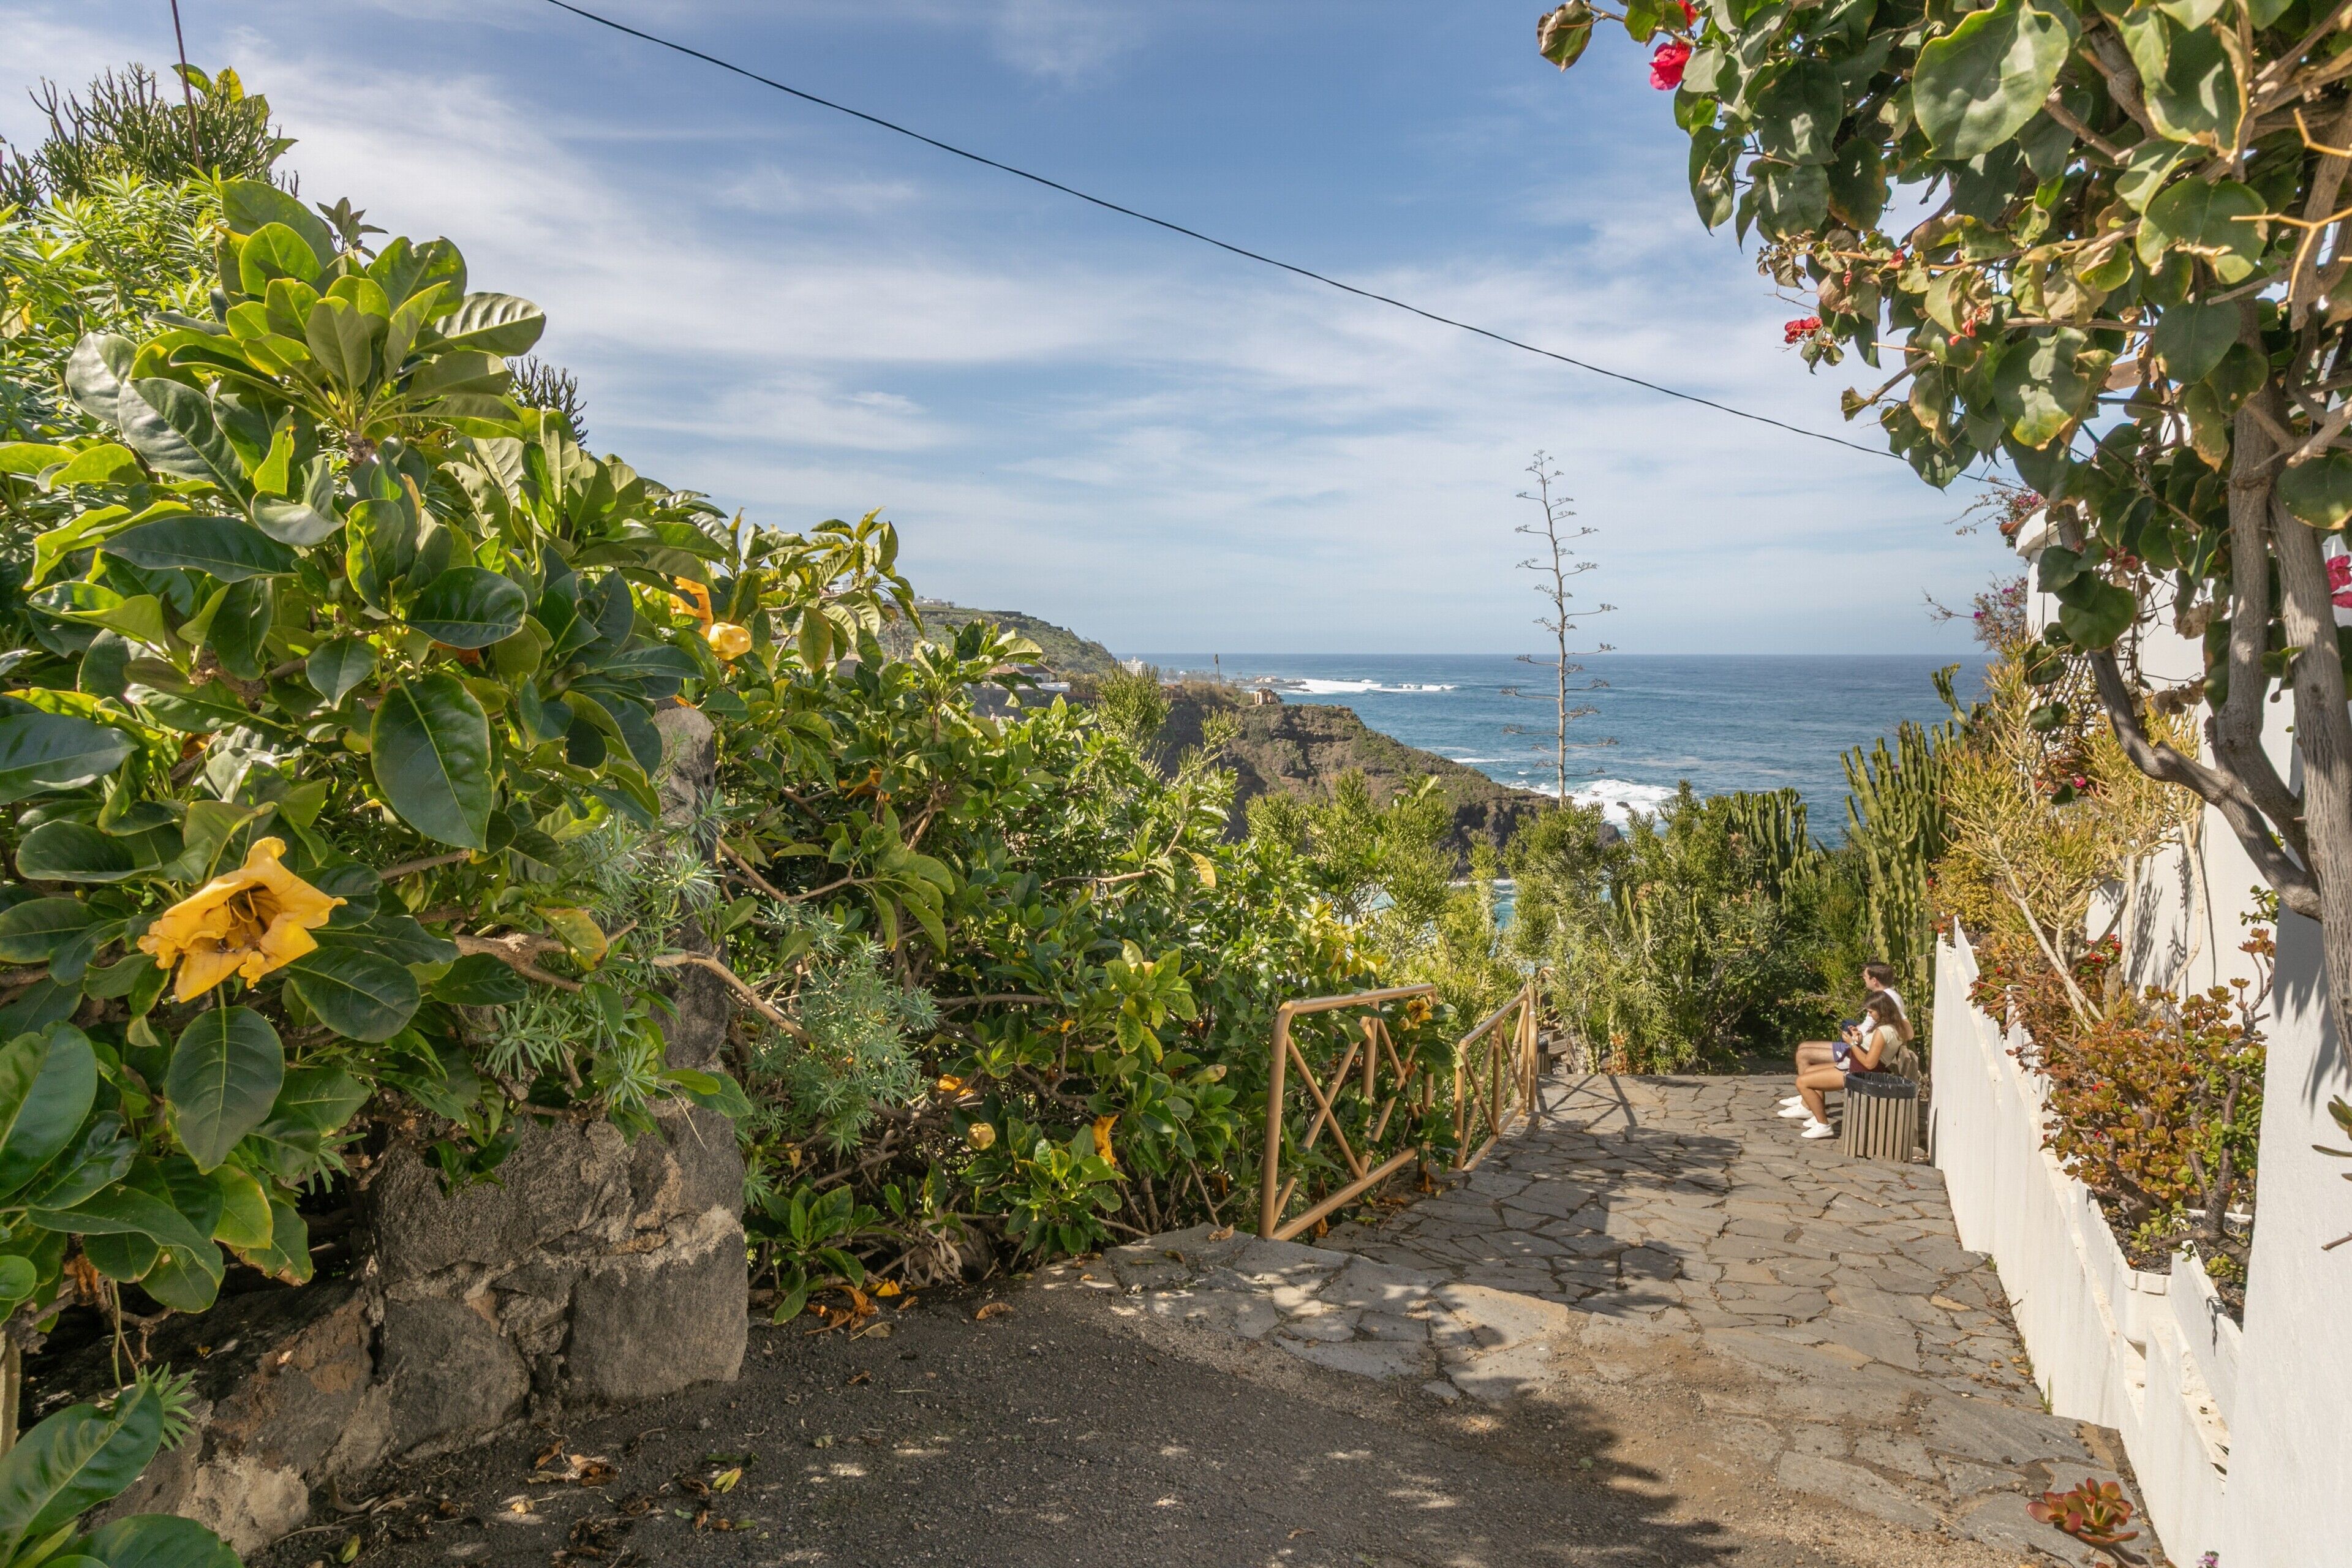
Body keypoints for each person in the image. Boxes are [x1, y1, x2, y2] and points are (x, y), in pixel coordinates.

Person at [1778, 962, 1910, 1119]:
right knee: (1803, 1047)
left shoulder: (1888, 1000)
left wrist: (1853, 1042)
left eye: (1865, 976)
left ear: (1874, 980)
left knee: (1804, 1055)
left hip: (1859, 1055)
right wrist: (1858, 1033)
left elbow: (1900, 1031)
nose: (1863, 979)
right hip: (1861, 1045)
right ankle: (1808, 1098)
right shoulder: (1882, 1000)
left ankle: (1808, 1104)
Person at [1790, 992, 1908, 1140]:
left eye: (1871, 1012)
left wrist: (1851, 1043)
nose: (1869, 1015)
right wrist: (1859, 1039)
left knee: (1802, 1082)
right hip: (1857, 1067)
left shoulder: (1883, 1032)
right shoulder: (1892, 1027)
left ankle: (1823, 1125)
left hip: (1858, 1073)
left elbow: (1870, 1063)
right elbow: (1874, 1051)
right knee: (1809, 1071)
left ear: (1882, 1010)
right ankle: (1817, 1113)